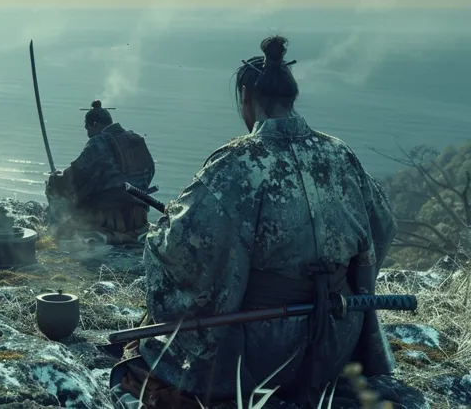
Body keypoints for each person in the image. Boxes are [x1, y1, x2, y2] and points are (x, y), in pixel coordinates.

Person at [110, 36, 399, 407]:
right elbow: (384, 225)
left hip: (262, 347)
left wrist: (160, 233)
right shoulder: (339, 153)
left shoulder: (238, 161)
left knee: (143, 354)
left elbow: (180, 249)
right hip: (338, 336)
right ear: (291, 97)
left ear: (246, 98)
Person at [45, 100, 155, 245]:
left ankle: (53, 230)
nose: (88, 133)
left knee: (54, 182)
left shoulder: (98, 142)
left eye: (87, 128)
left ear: (94, 124)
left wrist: (58, 177)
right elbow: (151, 171)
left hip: (107, 214)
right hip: (138, 213)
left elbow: (74, 174)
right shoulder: (136, 139)